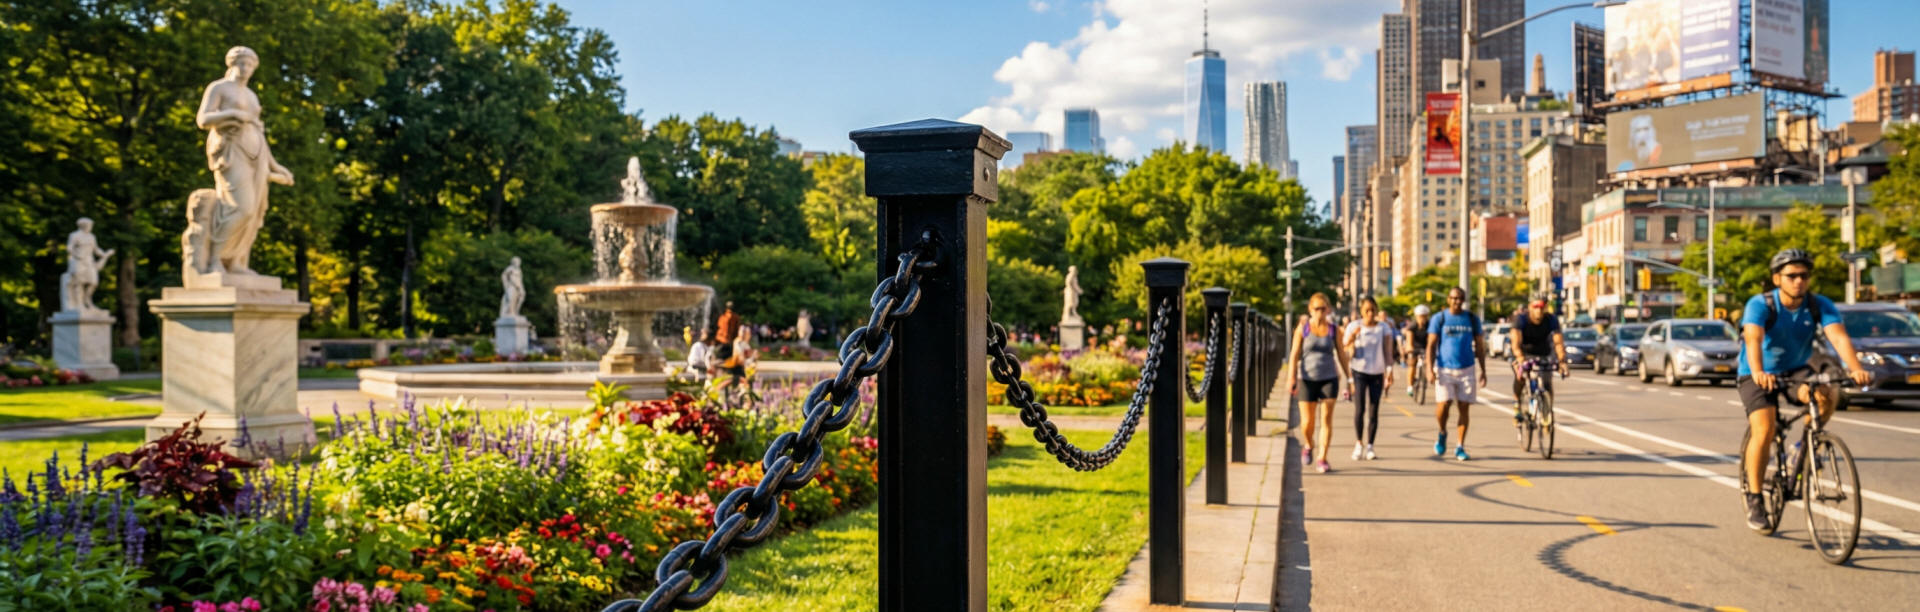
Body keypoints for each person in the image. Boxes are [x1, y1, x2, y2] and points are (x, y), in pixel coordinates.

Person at [1736, 249, 1873, 531]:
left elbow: (1838, 336)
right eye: (1792, 276)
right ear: (1777, 279)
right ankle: (1755, 497)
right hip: (1756, 371)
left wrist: (1855, 367)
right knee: (1764, 429)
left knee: (1826, 394)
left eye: (1804, 275)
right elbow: (1753, 338)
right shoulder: (1760, 305)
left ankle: (1802, 447)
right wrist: (1760, 372)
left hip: (1796, 369)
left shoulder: (1818, 305)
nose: (1799, 281)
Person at [1284, 293, 1352, 473]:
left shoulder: (1334, 330)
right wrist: (1291, 377)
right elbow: (1294, 354)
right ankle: (1308, 444)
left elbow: (1342, 356)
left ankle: (1322, 458)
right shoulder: (1303, 329)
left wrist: (1349, 378)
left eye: (1323, 309)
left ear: (1328, 309)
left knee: (1326, 419)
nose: (1320, 313)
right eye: (1317, 309)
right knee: (1307, 422)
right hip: (1307, 379)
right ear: (1310, 310)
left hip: (1329, 378)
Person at [1426, 287, 1488, 461]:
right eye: (1454, 298)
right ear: (1448, 299)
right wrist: (1429, 369)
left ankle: (1460, 446)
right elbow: (1431, 345)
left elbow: (1480, 346)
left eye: (1460, 298)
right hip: (1445, 368)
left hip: (1467, 368)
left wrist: (1483, 370)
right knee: (1443, 405)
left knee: (1464, 408)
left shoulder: (1471, 319)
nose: (1457, 301)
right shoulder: (1440, 318)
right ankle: (1442, 432)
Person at [1342, 296, 1396, 461]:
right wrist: (1353, 335)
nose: (1370, 314)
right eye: (1367, 310)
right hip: (1359, 371)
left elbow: (1388, 351)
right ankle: (1359, 443)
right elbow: (1344, 346)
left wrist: (1389, 371)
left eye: (1373, 310)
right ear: (1361, 311)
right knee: (1360, 409)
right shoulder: (1354, 326)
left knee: (1374, 410)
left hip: (1377, 372)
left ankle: (1370, 446)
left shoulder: (1384, 328)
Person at [1509, 297, 1569, 427]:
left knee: (1547, 381)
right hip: (1523, 353)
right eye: (1535, 307)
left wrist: (1562, 361)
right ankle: (1517, 404)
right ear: (1530, 307)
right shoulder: (1521, 319)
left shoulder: (1551, 320)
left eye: (1541, 307)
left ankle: (1546, 412)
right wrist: (1520, 359)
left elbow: (1558, 342)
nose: (1538, 310)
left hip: (1543, 353)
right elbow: (1515, 343)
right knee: (1521, 376)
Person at [1402, 304, 1432, 397]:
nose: (1422, 319)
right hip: (1414, 347)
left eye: (1424, 316)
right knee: (1412, 364)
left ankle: (1426, 376)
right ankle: (1410, 386)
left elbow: (1433, 338)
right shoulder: (1413, 326)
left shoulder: (1430, 325)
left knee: (1429, 361)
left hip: (1426, 347)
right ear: (1416, 317)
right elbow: (1409, 339)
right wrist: (1409, 348)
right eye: (1420, 317)